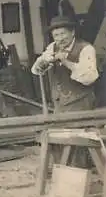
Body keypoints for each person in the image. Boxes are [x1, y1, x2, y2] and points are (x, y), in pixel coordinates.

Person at [31, 15, 99, 167]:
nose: (59, 39)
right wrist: (43, 62)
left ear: (72, 32)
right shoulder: (52, 47)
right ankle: (62, 172)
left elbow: (90, 77)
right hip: (60, 104)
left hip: (80, 103)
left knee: (77, 142)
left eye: (63, 34)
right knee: (58, 140)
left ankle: (79, 177)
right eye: (56, 35)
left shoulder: (86, 48)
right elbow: (35, 70)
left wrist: (67, 62)